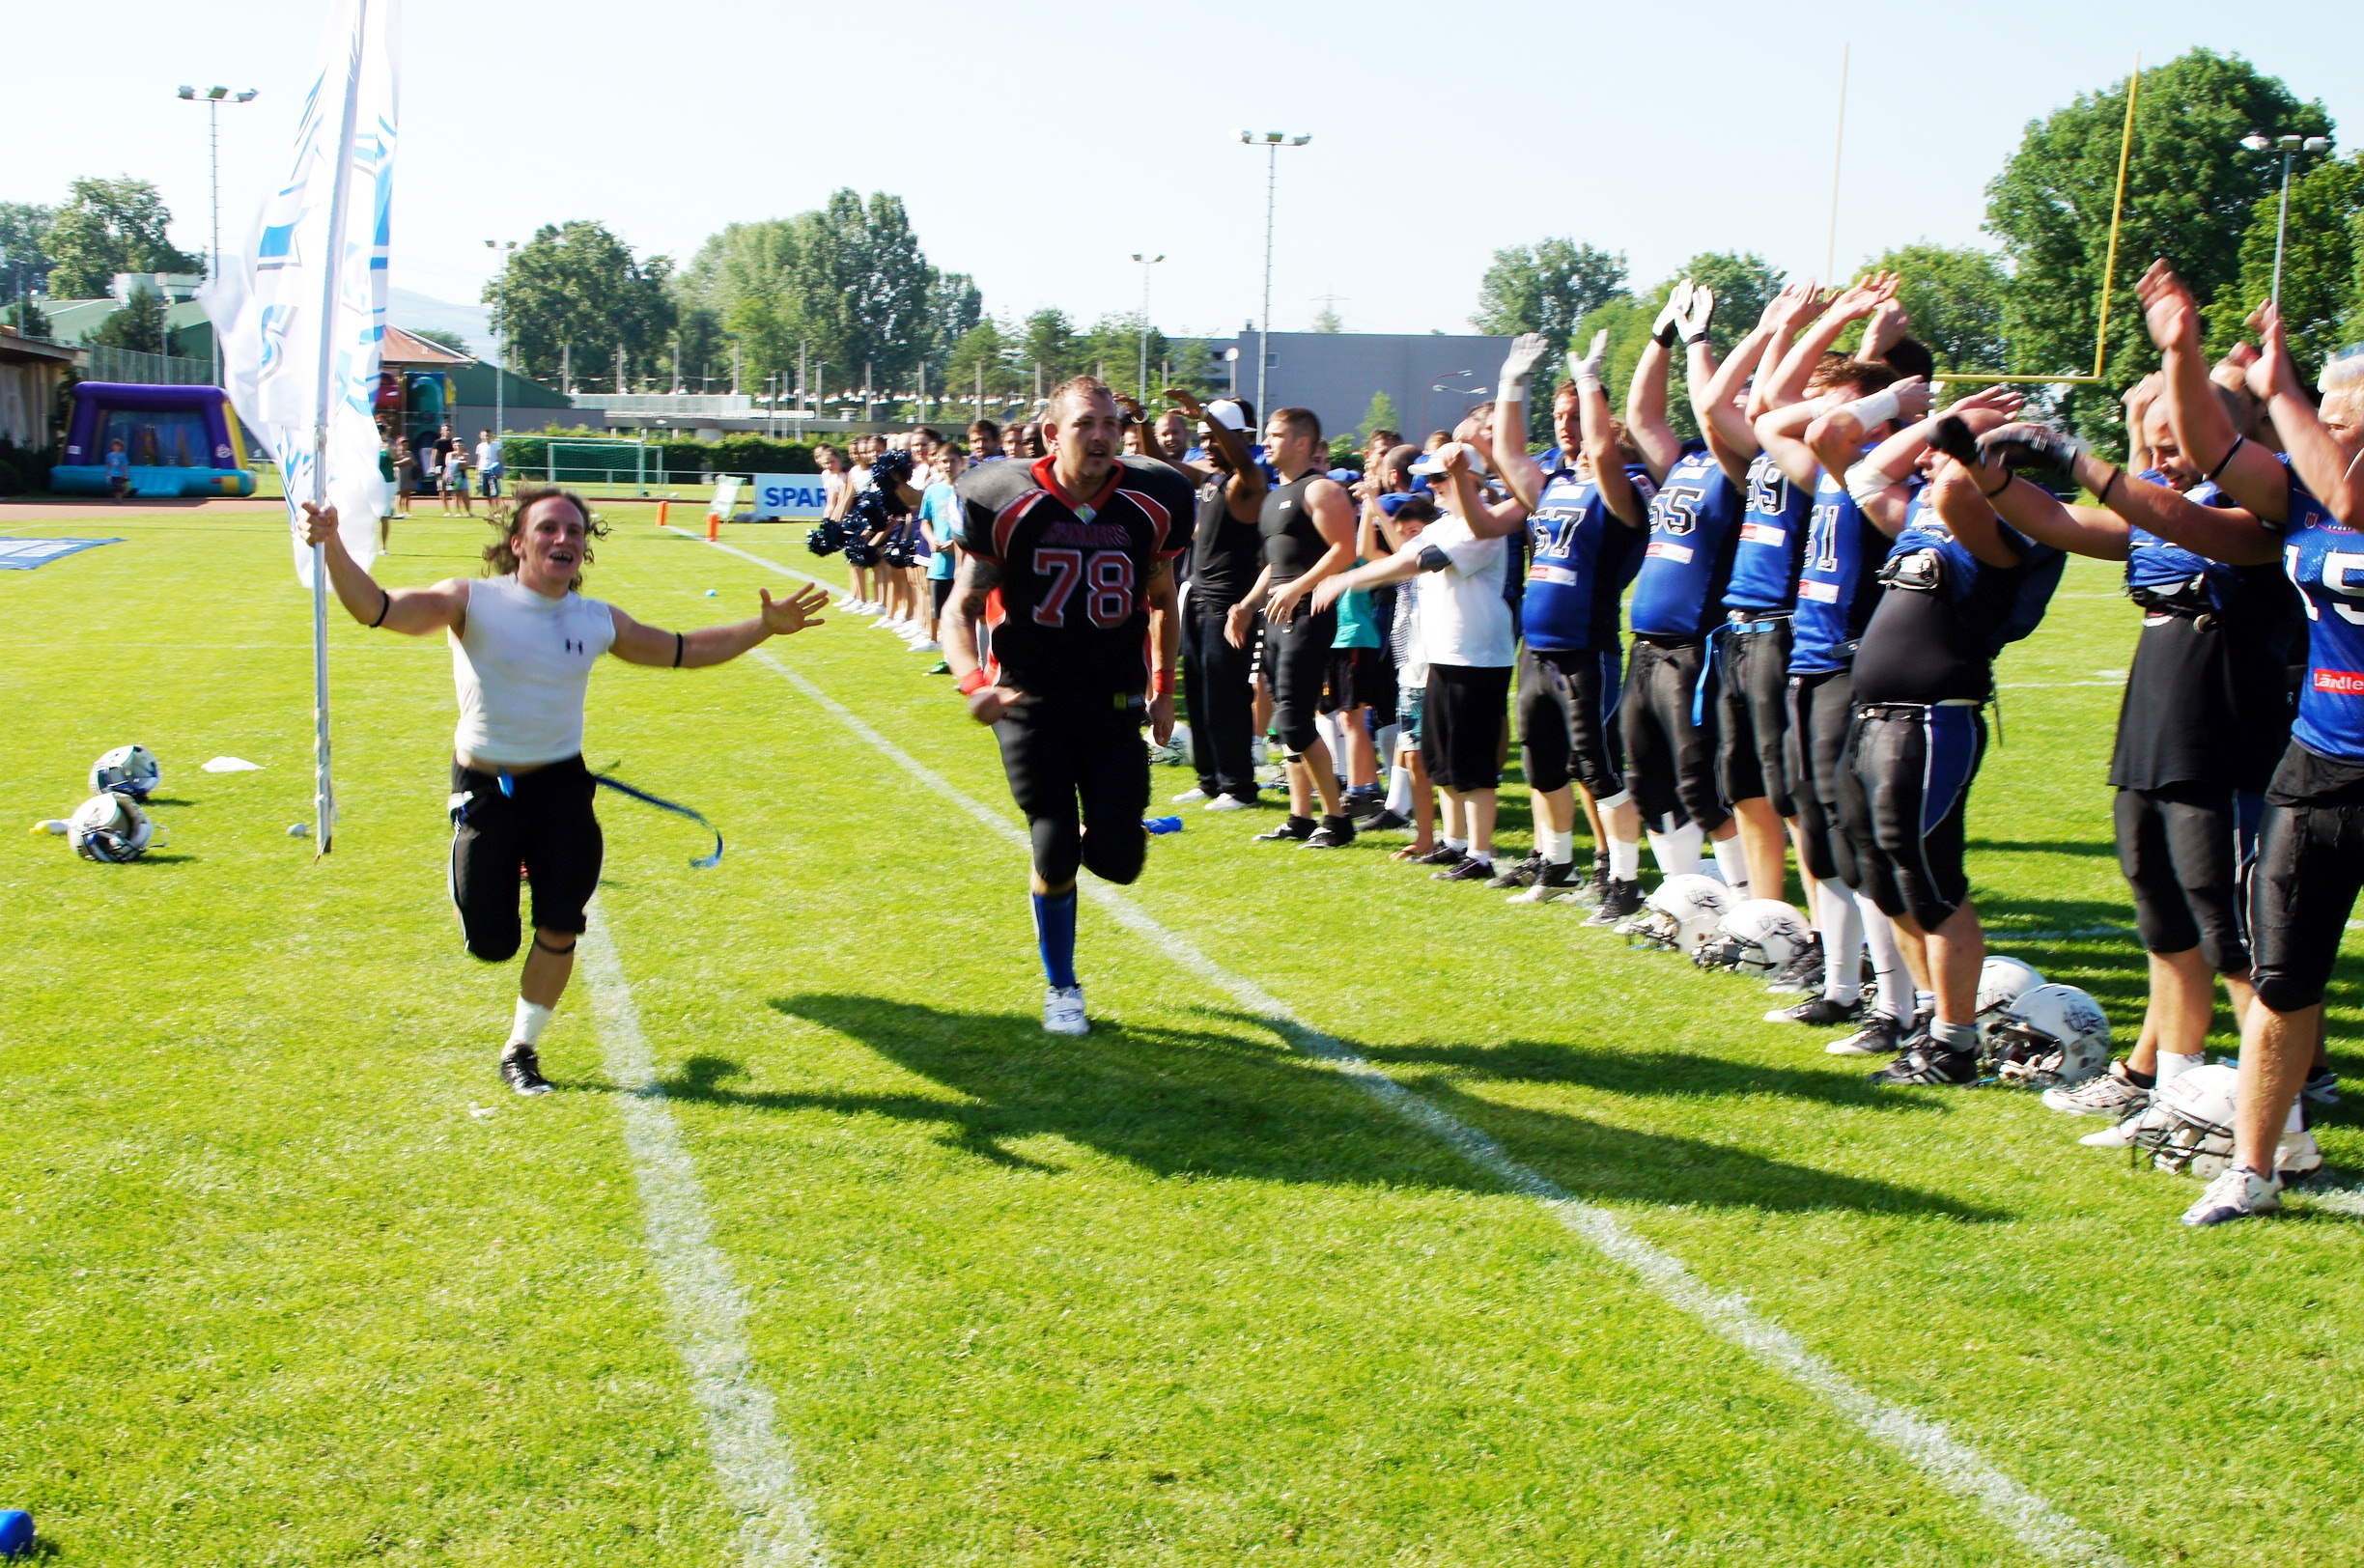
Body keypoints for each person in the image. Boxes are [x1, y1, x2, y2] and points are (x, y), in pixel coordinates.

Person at [296, 486, 830, 1095]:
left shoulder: (595, 619)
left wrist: (763, 628)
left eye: (575, 531)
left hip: (561, 789)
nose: (564, 539)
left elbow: (683, 651)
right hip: (486, 790)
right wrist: (332, 545)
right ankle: (492, 867)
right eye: (548, 528)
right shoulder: (469, 600)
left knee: (560, 924)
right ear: (518, 543)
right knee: (493, 943)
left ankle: (521, 1049)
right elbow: (378, 609)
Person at [1968, 385, 2310, 1148]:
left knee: (2233, 942)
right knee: (2166, 931)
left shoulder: (2265, 505)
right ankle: (2172, 1092)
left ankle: (2283, 1127)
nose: (2159, 459)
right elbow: (2059, 522)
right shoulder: (2156, 502)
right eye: (2150, 444)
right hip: (2152, 737)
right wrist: (1990, 478)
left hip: (2224, 740)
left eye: (2173, 443)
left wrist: (2073, 457)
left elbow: (2180, 521)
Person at [2111, 262, 2364, 1224]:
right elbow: (2214, 453)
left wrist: (2285, 387)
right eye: (2319, 403)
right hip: (2319, 757)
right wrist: (2180, 352)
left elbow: (2348, 494)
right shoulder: (2302, 491)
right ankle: (2255, 1166)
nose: (2319, 417)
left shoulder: (2337, 482)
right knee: (2283, 973)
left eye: (2338, 405)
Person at [941, 376, 1196, 1036]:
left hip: (1112, 703)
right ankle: (1062, 987)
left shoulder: (1154, 500)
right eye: (1086, 424)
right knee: (1054, 851)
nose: (1103, 436)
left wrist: (1163, 689)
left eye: (1111, 424)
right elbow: (960, 608)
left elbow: (1163, 602)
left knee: (1119, 862)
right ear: (1053, 434)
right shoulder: (1005, 499)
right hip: (1030, 702)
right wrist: (974, 683)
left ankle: (1099, 831)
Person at [1489, 330, 1649, 911]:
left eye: (1580, 422)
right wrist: (1511, 383)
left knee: (1597, 767)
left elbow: (1604, 453)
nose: (1572, 437)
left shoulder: (1625, 492)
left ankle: (1625, 882)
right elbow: (1508, 456)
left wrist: (1589, 383)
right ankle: (1556, 865)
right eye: (1563, 420)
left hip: (1586, 647)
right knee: (1542, 763)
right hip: (1537, 648)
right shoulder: (1557, 485)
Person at [1312, 442, 1512, 879]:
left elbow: (1421, 561)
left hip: (1477, 657)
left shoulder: (1480, 526)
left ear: (1469, 479)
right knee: (1441, 759)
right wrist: (1352, 570)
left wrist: (1347, 580)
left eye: (1440, 477)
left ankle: (1479, 855)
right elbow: (1400, 556)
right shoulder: (1445, 525)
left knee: (1472, 763)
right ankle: (1454, 842)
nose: (1432, 486)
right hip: (1443, 655)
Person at [1618, 281, 1750, 893]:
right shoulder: (1689, 460)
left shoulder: (1745, 465)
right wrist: (1662, 334)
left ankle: (1747, 904)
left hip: (1698, 645)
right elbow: (1642, 416)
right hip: (1647, 645)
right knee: (1648, 783)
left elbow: (1710, 409)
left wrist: (1701, 339)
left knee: (1701, 784)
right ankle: (1684, 896)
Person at [1224, 407, 1361, 848]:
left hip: (1307, 616)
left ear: (1302, 443)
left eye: (1276, 435)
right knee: (1284, 720)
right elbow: (1276, 565)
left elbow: (1344, 550)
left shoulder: (1321, 489)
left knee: (1294, 719)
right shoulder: (1274, 495)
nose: (1266, 442)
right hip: (1276, 616)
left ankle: (1337, 820)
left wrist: (1299, 587)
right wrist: (1246, 605)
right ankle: (1300, 817)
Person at [1167, 392, 1270, 810]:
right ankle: (1209, 779)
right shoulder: (1211, 479)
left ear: (1241, 437)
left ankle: (1238, 786)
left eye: (1215, 436)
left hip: (1228, 606)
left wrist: (1207, 414)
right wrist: (1139, 421)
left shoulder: (1249, 481)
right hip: (1197, 598)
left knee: (1226, 697)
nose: (1208, 444)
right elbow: (1161, 464)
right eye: (1204, 437)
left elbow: (1244, 462)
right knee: (1198, 693)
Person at [916, 441, 967, 670]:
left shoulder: (968, 488)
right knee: (942, 612)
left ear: (961, 462)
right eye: (944, 461)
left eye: (953, 461)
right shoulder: (933, 490)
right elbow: (925, 522)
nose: (948, 466)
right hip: (939, 563)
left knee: (963, 614)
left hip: (963, 564)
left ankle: (969, 659)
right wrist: (931, 540)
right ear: (937, 463)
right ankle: (948, 658)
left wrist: (957, 543)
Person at [476, 429, 505, 520]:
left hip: (493, 470)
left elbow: (501, 458)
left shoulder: (496, 445)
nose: (487, 437)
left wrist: (500, 470)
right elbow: (479, 459)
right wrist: (477, 473)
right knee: (486, 493)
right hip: (483, 470)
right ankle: (491, 510)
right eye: (485, 435)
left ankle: (497, 511)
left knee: (495, 492)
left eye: (488, 435)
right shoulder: (480, 446)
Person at [441, 441, 472, 517]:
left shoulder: (466, 455)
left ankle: (468, 512)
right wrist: (460, 462)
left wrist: (457, 463)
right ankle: (458, 512)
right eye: (457, 445)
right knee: (455, 495)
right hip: (453, 477)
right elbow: (448, 464)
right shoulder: (450, 454)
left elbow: (466, 465)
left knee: (465, 494)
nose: (458, 447)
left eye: (460, 445)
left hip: (463, 476)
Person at [393, 437, 417, 518]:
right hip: (399, 475)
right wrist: (405, 461)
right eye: (403, 445)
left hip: (408, 475)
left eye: (406, 445)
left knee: (407, 493)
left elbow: (415, 464)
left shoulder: (409, 453)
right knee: (400, 493)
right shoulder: (395, 453)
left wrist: (411, 461)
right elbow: (393, 464)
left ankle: (407, 511)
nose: (405, 447)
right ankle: (399, 511)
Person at [105, 438, 129, 502]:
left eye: (117, 446)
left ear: (120, 447)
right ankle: (116, 498)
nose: (115, 447)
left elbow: (125, 465)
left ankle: (119, 499)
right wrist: (108, 472)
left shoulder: (123, 455)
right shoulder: (110, 455)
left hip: (120, 474)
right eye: (114, 445)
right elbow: (109, 464)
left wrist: (125, 473)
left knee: (119, 488)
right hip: (113, 473)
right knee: (114, 488)